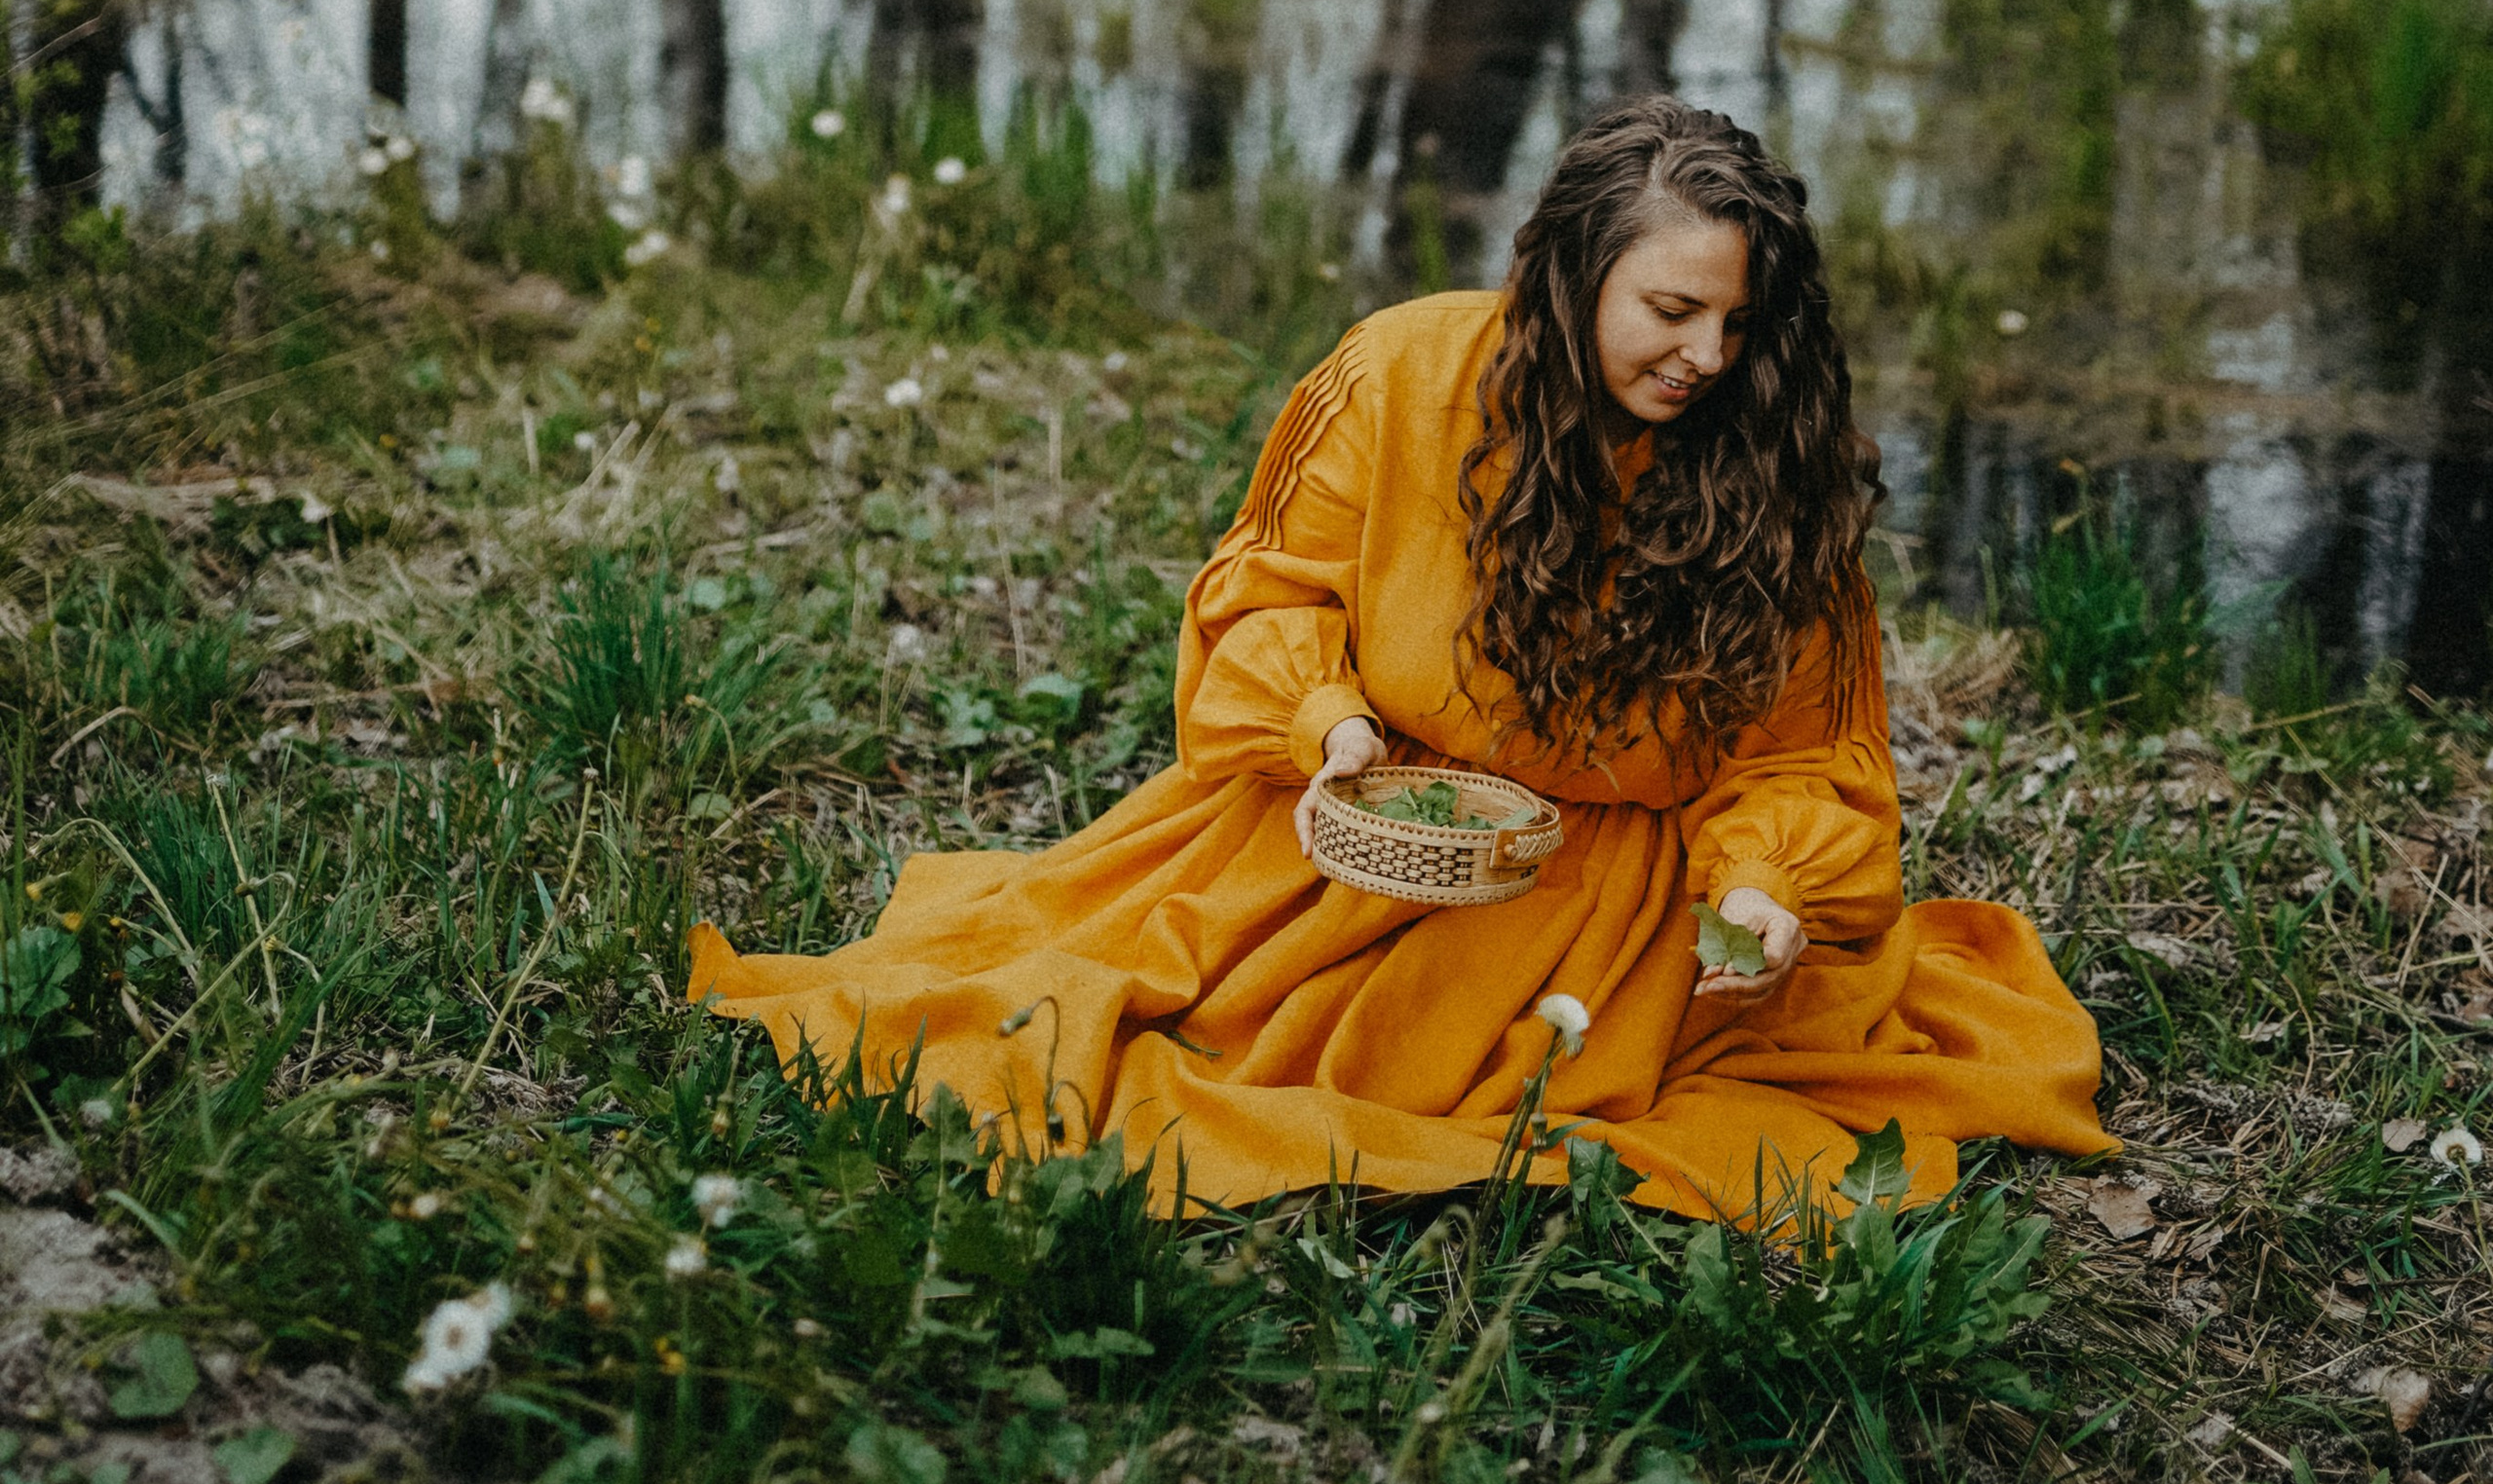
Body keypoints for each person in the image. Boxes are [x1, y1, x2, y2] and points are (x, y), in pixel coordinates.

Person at [687, 94, 2111, 1218]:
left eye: (1738, 324)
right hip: (1360, 824)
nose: (1707, 359)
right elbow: (1264, 587)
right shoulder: (1398, 374)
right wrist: (1326, 721)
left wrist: (1764, 882)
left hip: (1613, 888)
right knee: (1119, 1016)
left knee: (1569, 1081)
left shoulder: (1774, 469)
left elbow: (1809, 753)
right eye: (1670, 313)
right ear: (1570, 277)